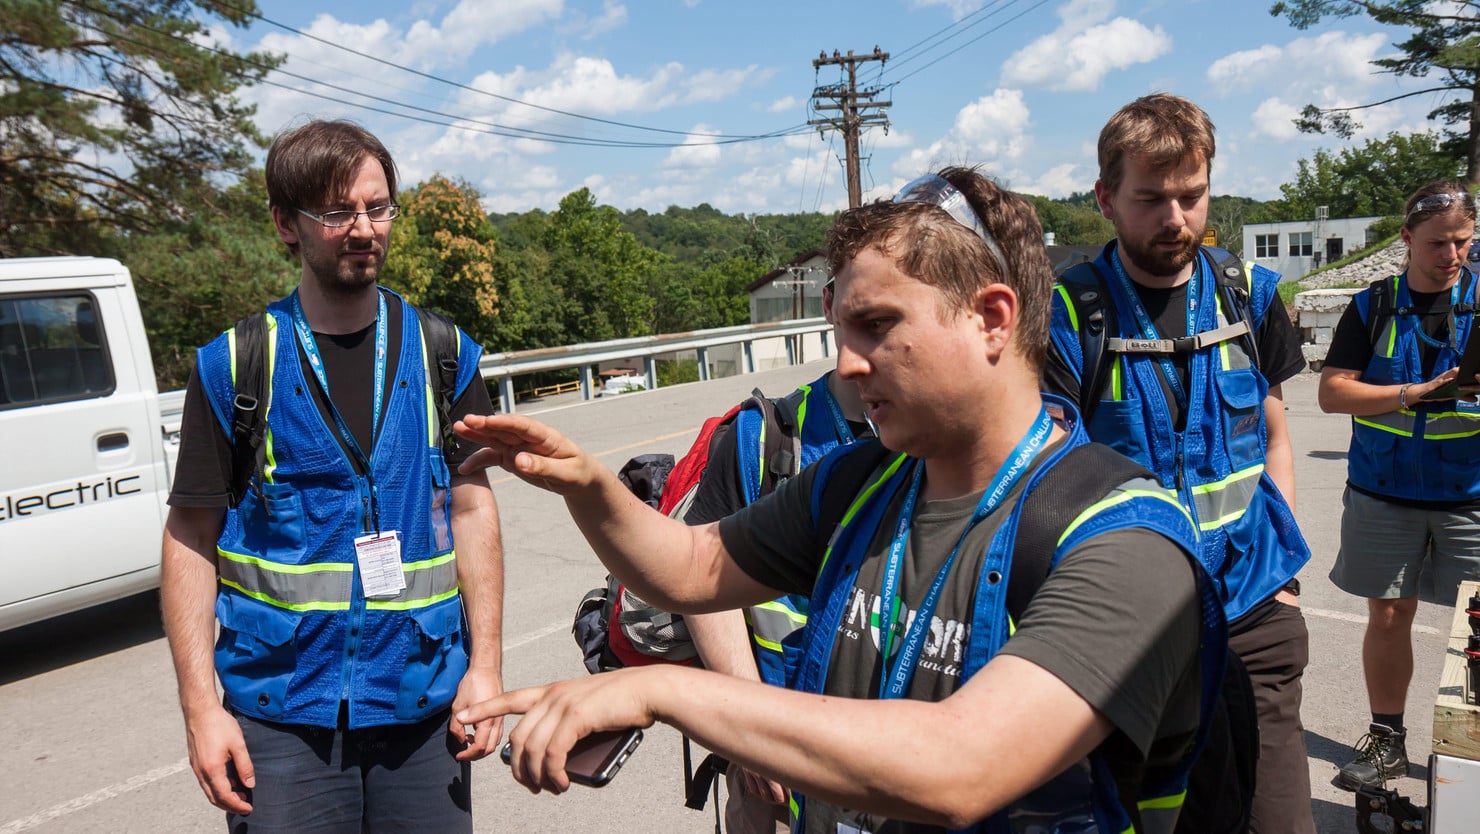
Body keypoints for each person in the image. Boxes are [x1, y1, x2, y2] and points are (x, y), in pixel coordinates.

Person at [454, 167, 1226, 833]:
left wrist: (660, 688)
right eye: (840, 331)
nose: (847, 365)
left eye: (876, 327)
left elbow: (963, 767)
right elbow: (688, 568)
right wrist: (587, 485)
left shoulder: (1126, 540)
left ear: (992, 318)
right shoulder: (864, 480)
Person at [160, 119, 505, 832]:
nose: (363, 229)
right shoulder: (234, 367)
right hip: (281, 722)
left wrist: (488, 667)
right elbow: (191, 533)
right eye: (337, 212)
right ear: (286, 224)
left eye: (377, 208)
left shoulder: (447, 355)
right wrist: (201, 710)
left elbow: (473, 512)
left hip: (423, 709)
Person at [1043, 94, 1313, 833]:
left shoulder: (1250, 297)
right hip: (1131, 627)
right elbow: (1046, 478)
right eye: (1150, 199)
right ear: (1105, 198)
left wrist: (1283, 582)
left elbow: (1276, 435)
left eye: (1191, 197)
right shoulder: (1067, 316)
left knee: (1277, 822)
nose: (1175, 219)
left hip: (1254, 606)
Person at [683, 278, 870, 834]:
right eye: (861, 309)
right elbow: (701, 584)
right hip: (773, 766)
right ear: (830, 303)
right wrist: (749, 736)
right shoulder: (761, 436)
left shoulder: (951, 443)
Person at [1317, 183, 1480, 792]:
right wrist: (1413, 393)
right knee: (1388, 615)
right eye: (1438, 243)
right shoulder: (1374, 305)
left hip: (1470, 494)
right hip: (1384, 492)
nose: (1453, 254)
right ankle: (1388, 741)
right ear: (1407, 240)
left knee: (1478, 629)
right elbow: (1333, 393)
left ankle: (1469, 754)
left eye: (1463, 241)